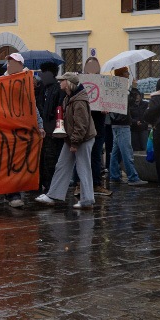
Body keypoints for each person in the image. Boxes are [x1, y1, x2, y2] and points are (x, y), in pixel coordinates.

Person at [35, 72, 97, 209]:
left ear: (68, 83)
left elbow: (81, 125)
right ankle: (54, 195)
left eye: (62, 80)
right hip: (72, 139)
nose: (59, 82)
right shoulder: (69, 98)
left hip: (81, 139)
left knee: (83, 168)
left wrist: (75, 143)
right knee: (62, 165)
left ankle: (87, 200)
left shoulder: (78, 101)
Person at [3, 52, 45, 208]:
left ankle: (14, 193)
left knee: (17, 162)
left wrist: (39, 125)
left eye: (14, 62)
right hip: (5, 128)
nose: (10, 65)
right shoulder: (0, 81)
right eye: (9, 62)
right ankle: (11, 193)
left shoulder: (25, 81)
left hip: (21, 129)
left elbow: (32, 105)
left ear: (20, 65)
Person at [76, 57, 111, 197]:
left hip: (98, 125)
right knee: (81, 156)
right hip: (83, 125)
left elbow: (108, 100)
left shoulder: (103, 82)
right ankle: (79, 185)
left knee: (96, 156)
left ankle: (96, 184)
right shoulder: (79, 82)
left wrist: (106, 108)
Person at [107, 67, 146, 186]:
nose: (128, 74)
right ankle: (132, 177)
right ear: (121, 74)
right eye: (126, 72)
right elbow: (129, 102)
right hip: (122, 123)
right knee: (126, 151)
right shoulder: (119, 87)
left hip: (116, 123)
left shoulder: (114, 86)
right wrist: (134, 88)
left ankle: (114, 175)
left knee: (116, 151)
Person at [37, 62, 65, 194]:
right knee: (42, 159)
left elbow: (59, 110)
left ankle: (51, 188)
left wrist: (57, 128)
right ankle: (42, 184)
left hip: (52, 131)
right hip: (43, 130)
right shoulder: (42, 88)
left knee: (51, 159)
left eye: (43, 72)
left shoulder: (58, 89)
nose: (40, 75)